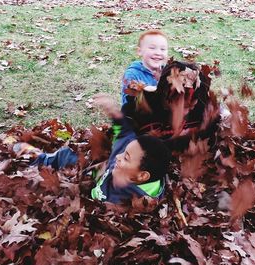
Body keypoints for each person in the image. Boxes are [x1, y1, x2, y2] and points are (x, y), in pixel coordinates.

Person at [14, 95, 171, 204]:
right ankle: (39, 157)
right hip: (95, 175)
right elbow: (125, 133)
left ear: (142, 175)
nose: (118, 157)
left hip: (90, 203)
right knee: (67, 156)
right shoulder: (133, 158)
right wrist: (115, 113)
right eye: (123, 153)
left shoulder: (137, 200)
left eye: (126, 158)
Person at [121, 29, 169, 106]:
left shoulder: (169, 72)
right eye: (152, 48)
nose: (158, 53)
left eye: (162, 49)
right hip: (139, 114)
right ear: (139, 51)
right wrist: (146, 90)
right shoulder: (132, 74)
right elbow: (129, 98)